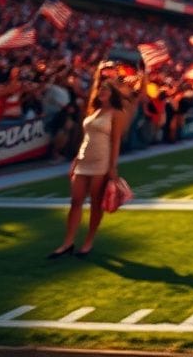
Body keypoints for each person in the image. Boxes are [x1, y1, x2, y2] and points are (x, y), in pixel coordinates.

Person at [48, 61, 127, 259]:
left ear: (113, 94)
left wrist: (113, 167)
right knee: (75, 201)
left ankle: (89, 241)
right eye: (100, 90)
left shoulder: (116, 113)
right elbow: (85, 138)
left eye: (106, 90)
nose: (101, 92)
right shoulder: (94, 111)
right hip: (84, 158)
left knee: (95, 203)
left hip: (101, 161)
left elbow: (116, 141)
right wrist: (75, 161)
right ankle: (68, 242)